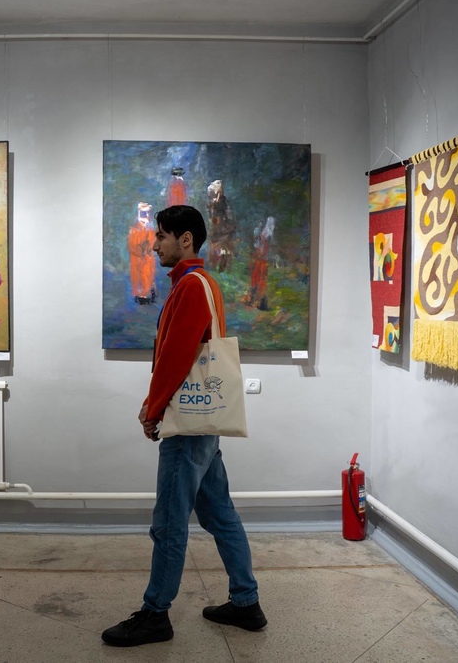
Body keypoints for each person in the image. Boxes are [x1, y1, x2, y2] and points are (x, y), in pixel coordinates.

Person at [102, 205, 267, 647]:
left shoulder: (191, 286)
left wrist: (154, 409)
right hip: (203, 423)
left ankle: (155, 614)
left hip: (188, 427)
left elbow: (177, 356)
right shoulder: (201, 283)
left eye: (161, 236)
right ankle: (246, 602)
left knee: (169, 525)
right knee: (220, 515)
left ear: (185, 239)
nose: (154, 244)